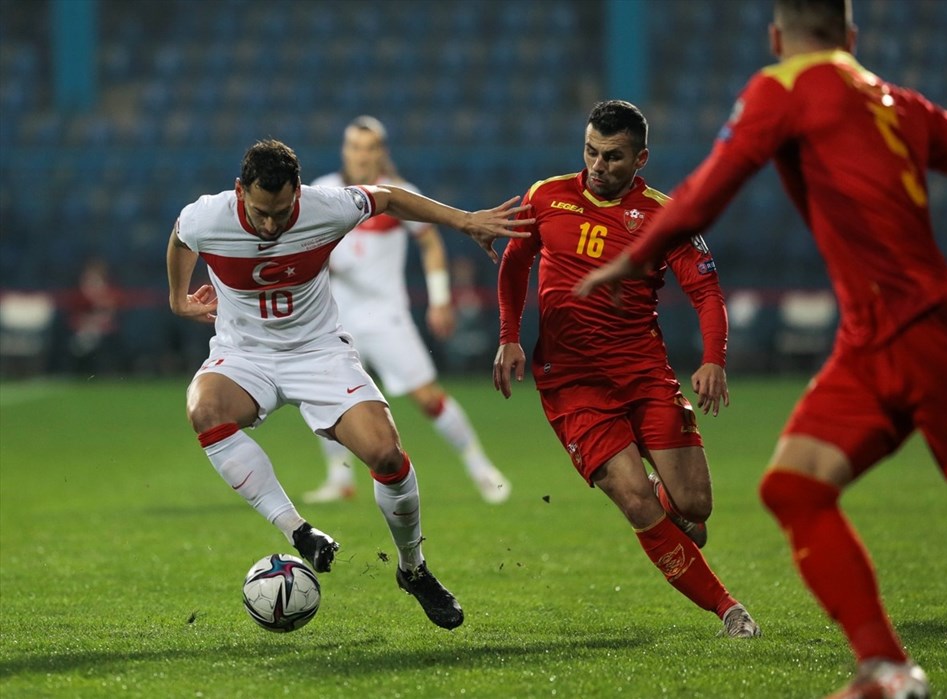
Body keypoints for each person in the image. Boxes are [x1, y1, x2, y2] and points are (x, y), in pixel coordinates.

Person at [575, 2, 947, 697]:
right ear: (853, 36)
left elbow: (707, 190)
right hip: (873, 338)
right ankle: (886, 667)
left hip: (929, 327)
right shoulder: (897, 101)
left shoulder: (783, 88)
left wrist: (641, 254)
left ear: (777, 37)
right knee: (794, 487)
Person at [166, 139, 532, 630]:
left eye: (281, 212)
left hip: (320, 352)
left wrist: (464, 220)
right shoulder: (208, 216)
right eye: (259, 212)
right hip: (244, 354)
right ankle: (298, 531)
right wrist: (178, 300)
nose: (271, 225)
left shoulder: (326, 206)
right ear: (240, 192)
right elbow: (179, 237)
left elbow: (391, 197)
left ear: (298, 192)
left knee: (387, 456)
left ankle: (414, 570)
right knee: (204, 409)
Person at [493, 100, 761, 639]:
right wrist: (508, 338)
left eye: (613, 157)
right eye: (590, 151)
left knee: (696, 507)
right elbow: (515, 263)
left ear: (640, 159)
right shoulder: (546, 197)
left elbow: (706, 292)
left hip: (643, 374)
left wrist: (713, 359)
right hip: (571, 384)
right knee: (635, 501)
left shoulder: (666, 215)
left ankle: (670, 499)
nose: (597, 165)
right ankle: (729, 610)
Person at [303, 116, 511, 505]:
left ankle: (481, 468)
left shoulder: (397, 193)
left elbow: (430, 243)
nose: (362, 156)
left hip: (386, 316)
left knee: (428, 398)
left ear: (381, 152)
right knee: (322, 398)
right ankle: (339, 479)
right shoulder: (324, 190)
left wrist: (440, 298)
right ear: (344, 150)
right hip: (335, 317)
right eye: (354, 147)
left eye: (370, 148)